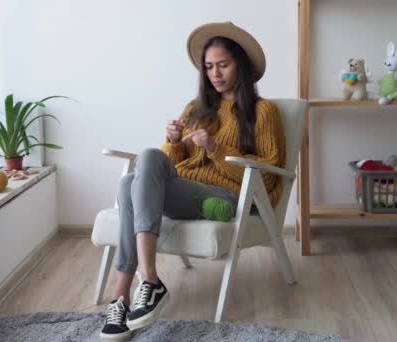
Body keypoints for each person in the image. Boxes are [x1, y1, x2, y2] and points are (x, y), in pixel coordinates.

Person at [100, 22, 286, 341]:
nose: (215, 73)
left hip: (226, 196)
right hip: (185, 192)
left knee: (129, 184)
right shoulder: (195, 109)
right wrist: (173, 141)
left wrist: (215, 148)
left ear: (241, 65)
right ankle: (131, 290)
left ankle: (137, 286)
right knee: (137, 173)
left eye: (223, 65)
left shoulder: (263, 111)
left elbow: (268, 173)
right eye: (210, 67)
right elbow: (166, 168)